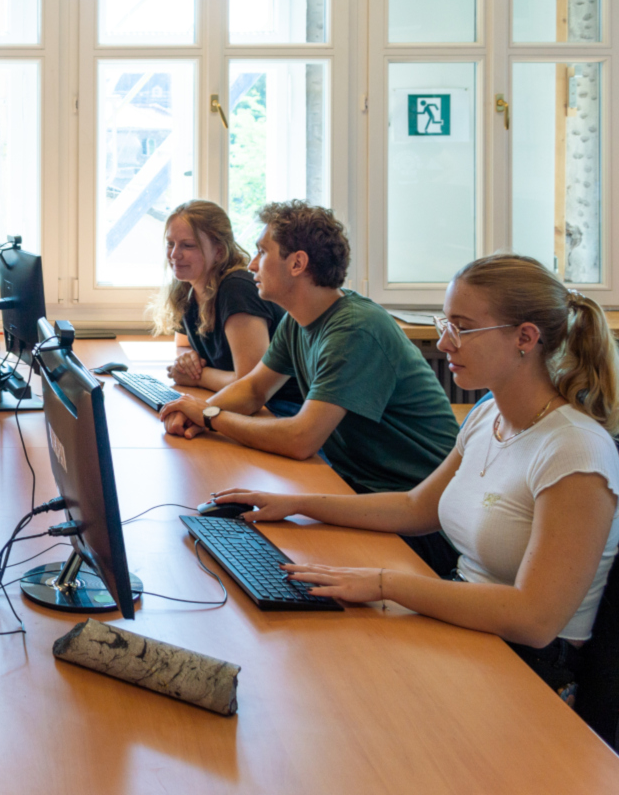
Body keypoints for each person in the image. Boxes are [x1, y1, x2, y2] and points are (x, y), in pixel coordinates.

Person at [211, 253, 619, 702]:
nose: (445, 344)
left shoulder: (574, 451)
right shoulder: (489, 413)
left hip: (531, 667)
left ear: (525, 338)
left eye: (462, 328)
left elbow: (534, 619)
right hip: (471, 624)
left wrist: (384, 583)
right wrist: (296, 504)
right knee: (311, 665)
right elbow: (417, 507)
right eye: (444, 323)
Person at [158, 200, 460, 573]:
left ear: (297, 264)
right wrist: (195, 418)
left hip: (424, 523)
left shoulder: (353, 329)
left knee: (280, 563)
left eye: (262, 252)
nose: (251, 264)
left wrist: (209, 414)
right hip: (363, 491)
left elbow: (301, 440)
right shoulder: (300, 321)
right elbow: (253, 390)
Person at [149, 200, 302, 413]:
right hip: (248, 404)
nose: (174, 254)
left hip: (281, 407)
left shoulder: (236, 288)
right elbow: (183, 344)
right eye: (170, 243)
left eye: (188, 245)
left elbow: (249, 383)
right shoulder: (188, 288)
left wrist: (198, 376)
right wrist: (188, 361)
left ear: (219, 252)